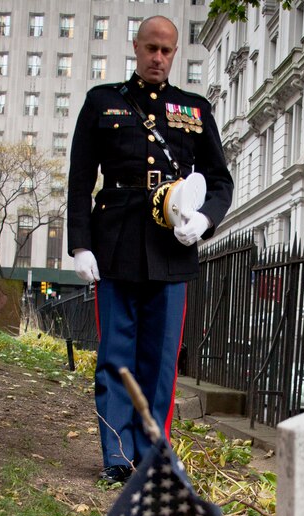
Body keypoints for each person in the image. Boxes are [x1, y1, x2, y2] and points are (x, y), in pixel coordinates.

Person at [67, 16, 233, 485]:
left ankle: (152, 453)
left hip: (171, 246)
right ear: (136, 47)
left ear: (175, 53)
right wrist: (80, 244)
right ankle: (118, 457)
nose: (158, 58)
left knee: (160, 360)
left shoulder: (195, 109)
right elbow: (81, 180)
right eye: (151, 48)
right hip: (115, 242)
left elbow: (219, 181)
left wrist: (204, 220)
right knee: (116, 354)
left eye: (167, 50)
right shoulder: (102, 103)